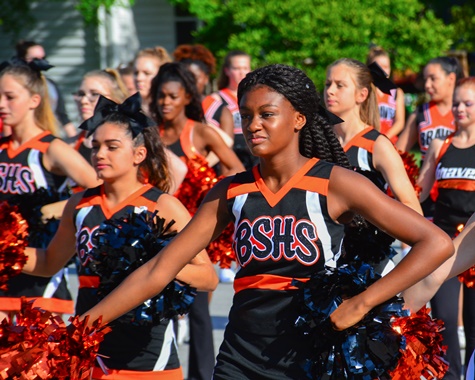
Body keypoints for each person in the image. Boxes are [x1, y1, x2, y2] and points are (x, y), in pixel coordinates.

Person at [79, 64, 453, 379]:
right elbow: (160, 268)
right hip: (239, 356)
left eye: (266, 114)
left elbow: (435, 242)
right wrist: (81, 327)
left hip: (310, 355)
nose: (252, 125)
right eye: (246, 115)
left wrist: (363, 303)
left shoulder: (335, 183)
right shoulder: (231, 192)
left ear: (299, 119)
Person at [22, 93, 218, 379]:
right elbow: (50, 262)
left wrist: (155, 265)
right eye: (96, 146)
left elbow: (208, 277)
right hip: (90, 347)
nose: (100, 154)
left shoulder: (162, 206)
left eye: (112, 147)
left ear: (139, 154)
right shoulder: (79, 205)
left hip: (148, 354)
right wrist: (9, 252)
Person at [0, 58, 101, 315]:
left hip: (39, 275)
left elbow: (102, 190)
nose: (2, 104)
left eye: (10, 96)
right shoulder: (1, 148)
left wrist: (57, 208)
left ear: (34, 100)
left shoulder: (51, 148)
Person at [406, 77, 475, 379]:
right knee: (444, 320)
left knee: (474, 326)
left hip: (474, 242)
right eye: (457, 102)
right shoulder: (440, 144)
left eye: (467, 103)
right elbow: (417, 192)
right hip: (446, 246)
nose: (459, 108)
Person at [73, 68, 187, 194]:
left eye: (94, 94)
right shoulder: (71, 143)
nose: (84, 101)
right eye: (81, 94)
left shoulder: (133, 134)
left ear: (114, 98)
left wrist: (150, 206)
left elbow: (178, 168)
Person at [396, 57, 462, 220]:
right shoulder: (420, 113)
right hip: (426, 191)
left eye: (433, 79)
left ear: (451, 78)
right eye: (426, 79)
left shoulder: (466, 112)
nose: (427, 85)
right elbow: (398, 152)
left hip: (459, 190)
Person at [173, 44, 234, 168]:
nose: (190, 82)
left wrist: (200, 171)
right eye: (185, 77)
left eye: (195, 77)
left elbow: (227, 158)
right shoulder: (171, 108)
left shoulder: (219, 110)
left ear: (206, 79)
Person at [15, 40, 77, 138]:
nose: (40, 62)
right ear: (23, 59)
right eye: (35, 59)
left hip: (50, 135)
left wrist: (76, 141)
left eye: (43, 58)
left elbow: (62, 116)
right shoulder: (16, 86)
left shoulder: (51, 85)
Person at [212, 50, 257, 170]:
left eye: (245, 68)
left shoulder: (256, 96)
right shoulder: (216, 99)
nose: (242, 73)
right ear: (227, 70)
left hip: (254, 154)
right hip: (229, 157)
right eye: (236, 68)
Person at [366, 46, 406, 144]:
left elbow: (400, 122)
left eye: (386, 67)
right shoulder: (365, 90)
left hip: (389, 142)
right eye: (379, 66)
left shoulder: (397, 92)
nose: (383, 70)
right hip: (368, 140)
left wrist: (384, 139)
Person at [134, 46, 171, 116]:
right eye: (136, 73)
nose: (139, 78)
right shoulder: (129, 111)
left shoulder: (168, 112)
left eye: (147, 73)